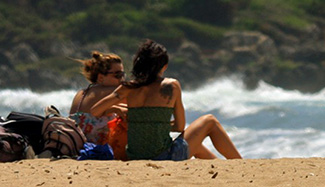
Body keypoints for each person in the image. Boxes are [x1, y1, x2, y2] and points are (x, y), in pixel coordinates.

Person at [90, 39, 242, 160]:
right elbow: (180, 126)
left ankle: (221, 168)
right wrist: (158, 125)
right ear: (164, 66)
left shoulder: (128, 87)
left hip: (135, 156)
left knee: (196, 146)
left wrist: (122, 112)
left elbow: (95, 111)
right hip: (165, 157)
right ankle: (239, 164)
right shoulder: (171, 86)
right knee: (210, 121)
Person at [69, 51, 128, 149]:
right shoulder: (111, 91)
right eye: (117, 75)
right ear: (100, 78)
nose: (122, 79)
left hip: (74, 144)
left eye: (123, 74)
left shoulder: (81, 93)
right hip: (95, 146)